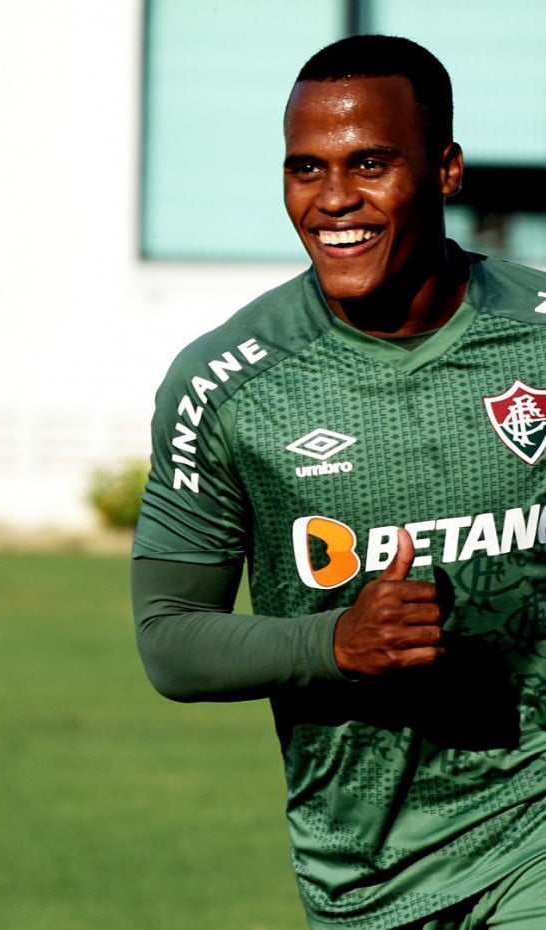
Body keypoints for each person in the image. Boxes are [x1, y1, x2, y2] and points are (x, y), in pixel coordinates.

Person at [131, 34, 546, 929]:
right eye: (304, 169)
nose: (332, 202)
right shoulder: (226, 385)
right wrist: (334, 644)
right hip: (362, 870)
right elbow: (168, 640)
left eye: (369, 164)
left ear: (444, 171)